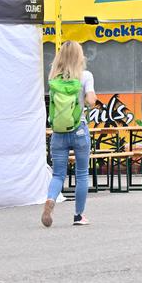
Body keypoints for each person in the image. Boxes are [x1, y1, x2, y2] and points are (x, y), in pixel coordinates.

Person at [42, 39, 94, 228]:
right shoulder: (85, 76)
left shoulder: (53, 77)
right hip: (79, 129)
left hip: (58, 132)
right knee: (81, 174)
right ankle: (79, 216)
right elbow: (91, 100)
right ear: (79, 56)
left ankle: (50, 200)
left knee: (57, 175)